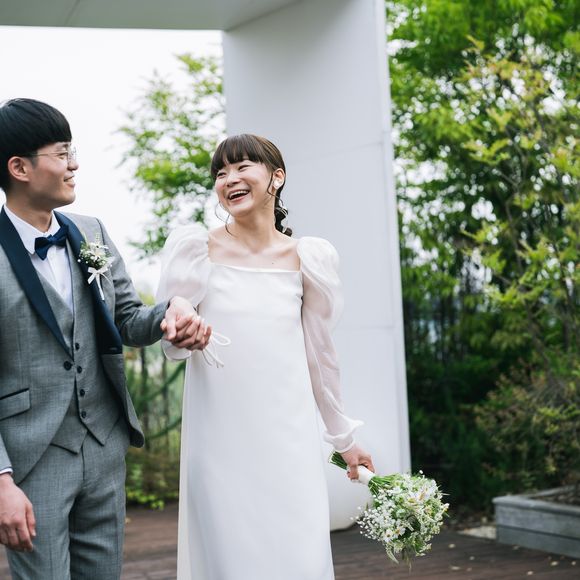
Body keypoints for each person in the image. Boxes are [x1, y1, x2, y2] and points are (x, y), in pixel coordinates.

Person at [0, 98, 205, 580]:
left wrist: (173, 309)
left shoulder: (90, 231)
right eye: (62, 153)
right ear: (19, 168)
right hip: (31, 460)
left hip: (104, 445)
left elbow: (128, 319)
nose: (74, 165)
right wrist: (1, 480)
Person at [157, 133, 375, 580]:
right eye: (220, 173)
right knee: (231, 559)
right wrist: (182, 331)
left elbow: (320, 357)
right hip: (219, 439)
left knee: (299, 557)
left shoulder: (308, 257)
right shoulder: (196, 249)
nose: (229, 179)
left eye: (242, 167)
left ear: (277, 177)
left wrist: (344, 439)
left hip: (289, 439)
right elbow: (172, 343)